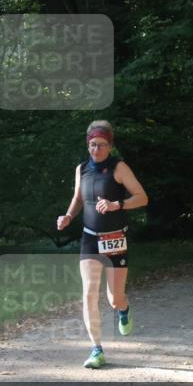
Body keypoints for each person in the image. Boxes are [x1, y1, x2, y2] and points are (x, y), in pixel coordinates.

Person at [57, 121, 148, 369]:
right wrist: (68, 216)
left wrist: (117, 204)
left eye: (101, 145)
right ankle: (96, 349)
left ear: (110, 145)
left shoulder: (119, 168)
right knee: (88, 293)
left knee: (114, 298)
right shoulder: (82, 169)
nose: (96, 149)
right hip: (89, 237)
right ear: (88, 144)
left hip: (114, 238)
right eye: (92, 144)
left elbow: (142, 197)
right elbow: (78, 198)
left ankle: (124, 308)